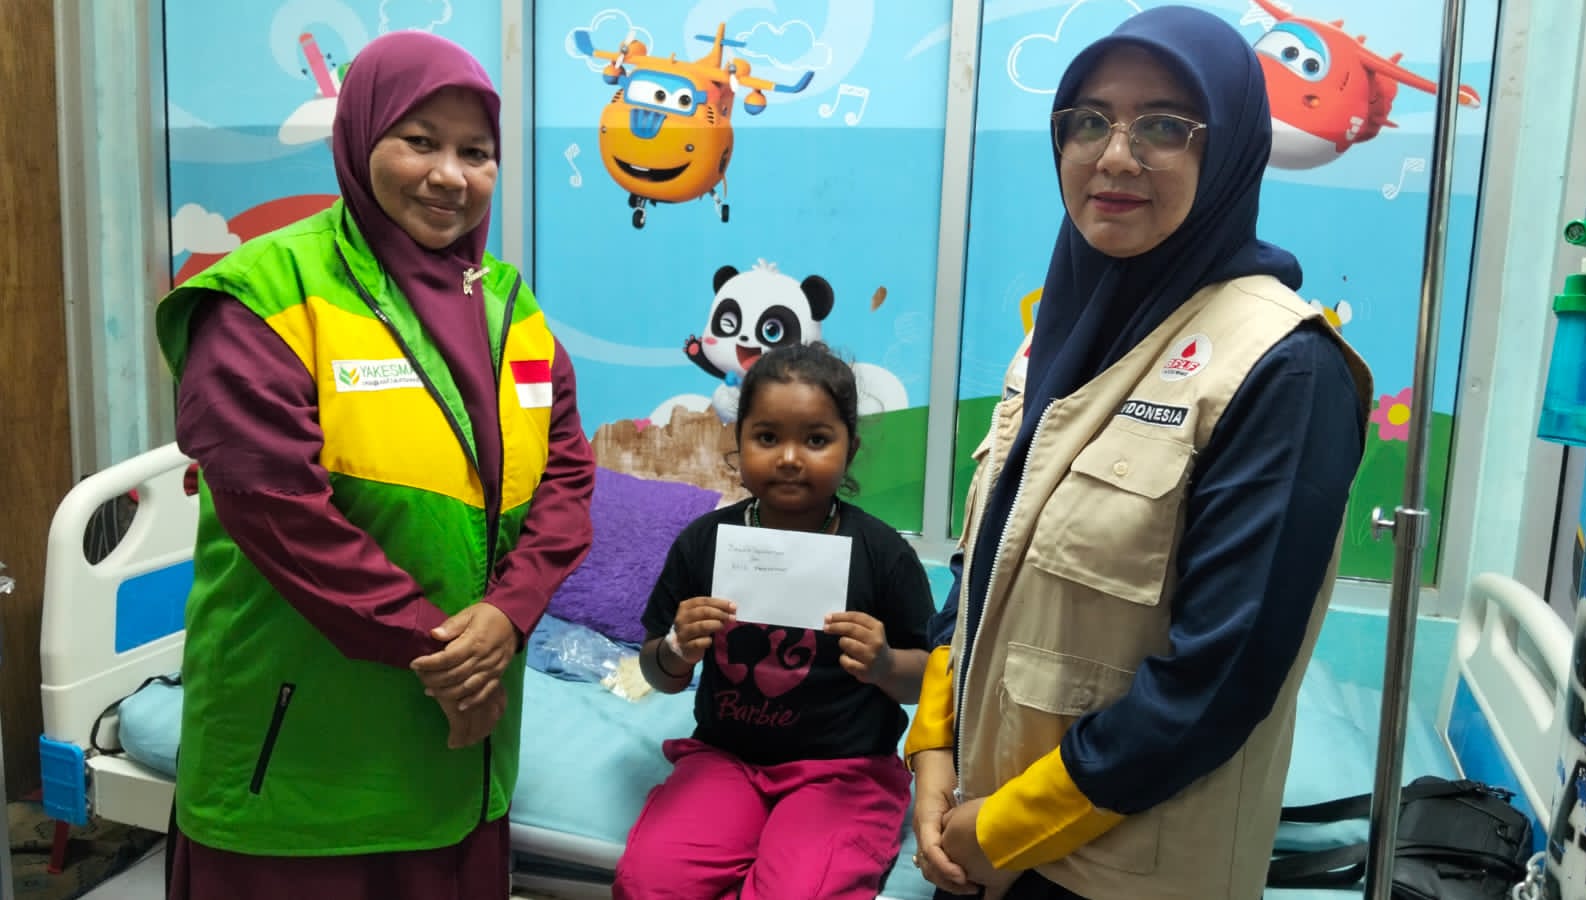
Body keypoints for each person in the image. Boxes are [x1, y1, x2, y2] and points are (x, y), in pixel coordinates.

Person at [904, 7, 1374, 900]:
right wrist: (931, 748)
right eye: (1088, 121)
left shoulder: (1283, 370)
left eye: (1163, 126)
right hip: (973, 832)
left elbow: (1219, 679)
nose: (1115, 156)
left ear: (1228, 151)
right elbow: (983, 565)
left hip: (1116, 869)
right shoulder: (1061, 334)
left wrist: (1006, 828)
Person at [152, 30, 595, 900]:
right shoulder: (266, 296)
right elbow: (276, 507)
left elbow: (567, 478)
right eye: (420, 141)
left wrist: (507, 615)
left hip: (460, 754)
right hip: (298, 763)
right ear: (358, 139)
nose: (450, 175)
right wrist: (446, 655)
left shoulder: (511, 309)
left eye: (476, 152)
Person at [614, 342, 936, 899]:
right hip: (726, 759)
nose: (789, 458)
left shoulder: (883, 555)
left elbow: (928, 680)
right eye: (767, 438)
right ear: (737, 443)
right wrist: (675, 650)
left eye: (816, 439)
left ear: (851, 448)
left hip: (845, 771)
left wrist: (884, 664)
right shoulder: (703, 544)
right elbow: (657, 674)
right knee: (648, 884)